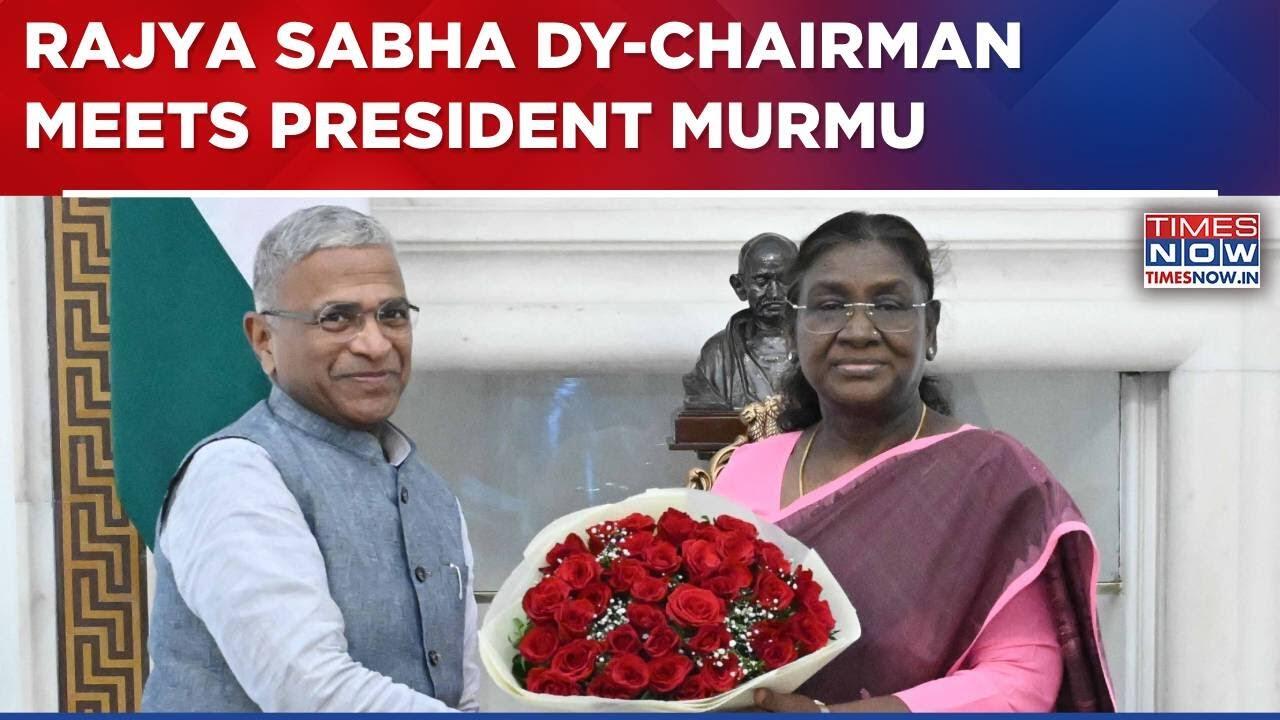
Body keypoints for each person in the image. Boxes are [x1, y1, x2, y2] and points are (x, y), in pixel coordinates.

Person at [709, 212, 1114, 712]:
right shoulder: (744, 471)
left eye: (889, 305)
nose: (859, 330)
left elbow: (1020, 678)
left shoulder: (989, 475)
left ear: (931, 327)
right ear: (793, 329)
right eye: (830, 306)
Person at [142, 206, 479, 712]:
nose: (375, 344)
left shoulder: (431, 492)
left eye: (392, 314)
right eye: (337, 318)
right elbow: (311, 693)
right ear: (264, 340)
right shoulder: (234, 474)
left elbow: (464, 693)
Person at [683, 232, 799, 409]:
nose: (774, 293)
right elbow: (702, 416)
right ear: (739, 286)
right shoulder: (717, 354)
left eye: (785, 280)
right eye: (762, 281)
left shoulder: (822, 345)